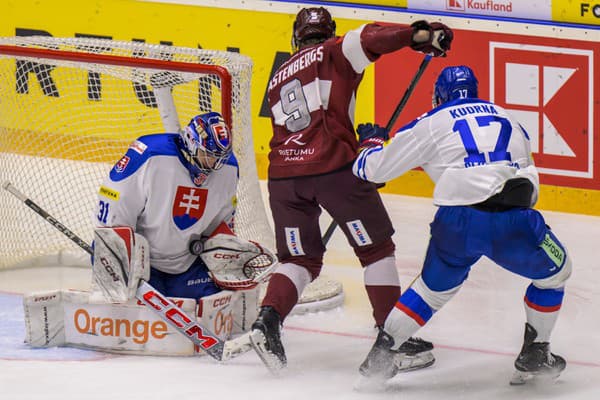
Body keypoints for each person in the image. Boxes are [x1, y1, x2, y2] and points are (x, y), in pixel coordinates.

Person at [249, 6, 453, 373]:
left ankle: (268, 320)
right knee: (376, 250)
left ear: (295, 37)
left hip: (283, 177)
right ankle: (393, 338)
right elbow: (372, 38)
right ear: (330, 32)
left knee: (299, 260)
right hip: (334, 169)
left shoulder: (280, 72)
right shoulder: (334, 50)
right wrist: (420, 35)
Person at [353, 65, 571, 385]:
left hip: (457, 222)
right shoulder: (509, 118)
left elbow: (371, 171)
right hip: (515, 222)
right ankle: (536, 351)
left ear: (439, 94)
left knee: (429, 293)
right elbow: (525, 173)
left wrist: (370, 144)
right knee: (557, 273)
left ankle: (378, 362)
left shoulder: (429, 122)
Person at [92, 111, 273, 342]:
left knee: (212, 312)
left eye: (218, 158)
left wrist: (221, 247)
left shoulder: (228, 168)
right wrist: (121, 261)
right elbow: (112, 209)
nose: (213, 165)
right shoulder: (150, 154)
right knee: (136, 324)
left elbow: (221, 221)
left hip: (185, 263)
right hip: (141, 263)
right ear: (190, 141)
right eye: (207, 155)